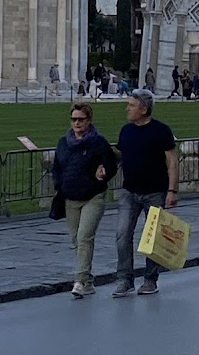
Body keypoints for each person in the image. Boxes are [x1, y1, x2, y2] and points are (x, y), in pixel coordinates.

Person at [112, 89, 178, 298]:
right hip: (129, 191)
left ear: (144, 109)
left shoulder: (161, 131)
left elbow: (172, 162)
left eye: (131, 105)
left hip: (155, 192)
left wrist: (172, 190)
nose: (127, 109)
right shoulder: (126, 130)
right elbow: (121, 156)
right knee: (122, 235)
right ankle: (125, 279)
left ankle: (150, 279)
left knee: (152, 239)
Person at [52, 102, 117, 298]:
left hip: (93, 196)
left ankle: (79, 280)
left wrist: (103, 172)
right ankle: (88, 281)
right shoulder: (64, 142)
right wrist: (59, 184)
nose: (77, 123)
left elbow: (111, 164)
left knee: (84, 236)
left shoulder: (98, 142)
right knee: (76, 240)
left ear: (89, 121)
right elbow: (57, 166)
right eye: (74, 119)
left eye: (81, 119)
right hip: (70, 196)